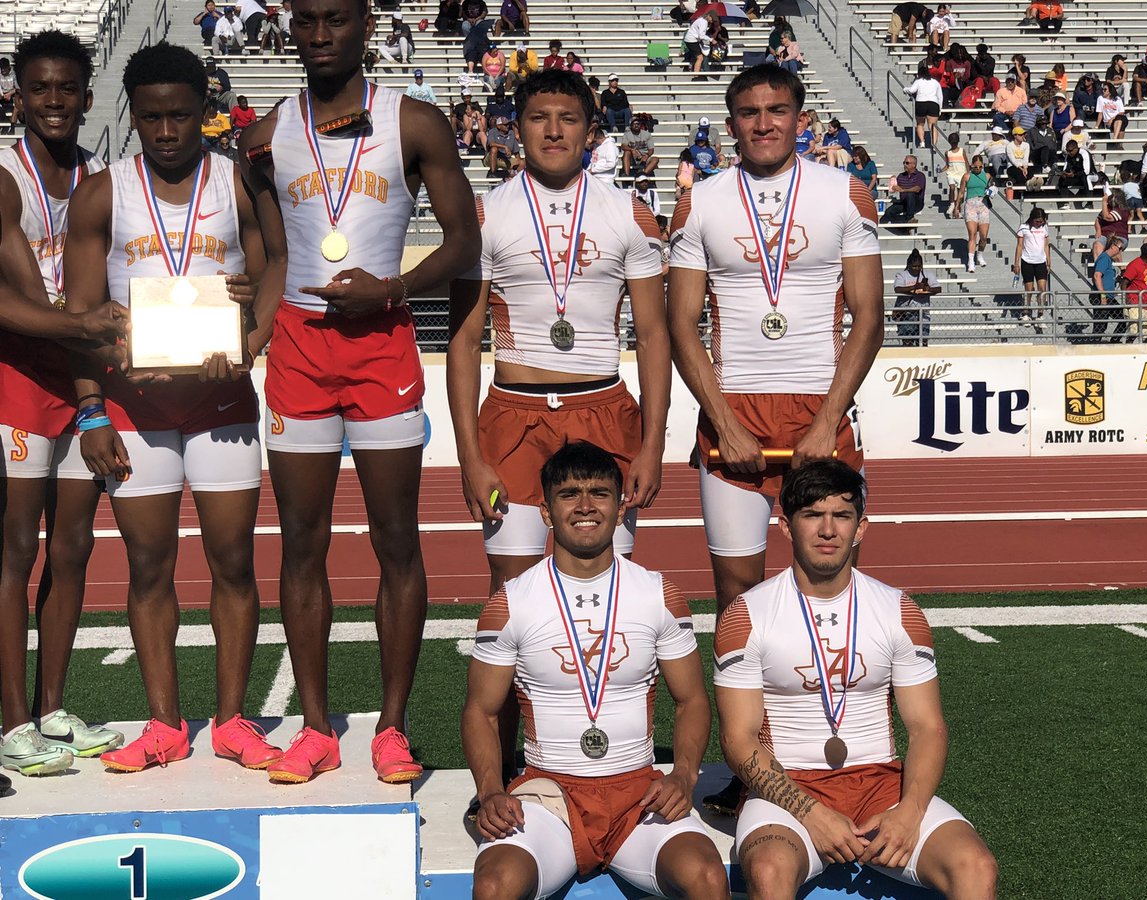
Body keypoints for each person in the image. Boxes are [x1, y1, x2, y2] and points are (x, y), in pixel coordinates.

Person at [240, 0, 480, 784]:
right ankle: (314, 728)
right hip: (301, 348)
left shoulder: (413, 122)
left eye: (335, 19)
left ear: (365, 25)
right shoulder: (265, 136)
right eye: (304, 20)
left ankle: (392, 727)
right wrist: (248, 323)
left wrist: (394, 290)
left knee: (394, 539)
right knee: (301, 542)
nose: (318, 34)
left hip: (383, 343)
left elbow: (463, 239)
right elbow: (273, 254)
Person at [667, 65, 883, 812]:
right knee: (737, 598)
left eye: (778, 110)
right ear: (731, 123)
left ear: (800, 117)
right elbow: (681, 322)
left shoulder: (842, 191)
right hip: (733, 422)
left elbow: (868, 316)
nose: (764, 122)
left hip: (820, 417)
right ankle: (750, 768)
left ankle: (835, 760)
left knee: (828, 590)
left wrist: (829, 417)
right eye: (750, 112)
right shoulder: (701, 200)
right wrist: (723, 418)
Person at [448, 70, 669, 797]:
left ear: (590, 130)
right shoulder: (485, 214)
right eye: (537, 117)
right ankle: (510, 773)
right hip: (511, 416)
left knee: (609, 593)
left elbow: (656, 334)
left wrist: (654, 441)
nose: (552, 130)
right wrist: (469, 452)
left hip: (604, 412)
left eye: (567, 118)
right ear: (514, 127)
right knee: (512, 598)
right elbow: (464, 338)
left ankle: (611, 766)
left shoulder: (629, 213)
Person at [62, 41, 278, 774]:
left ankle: (232, 720)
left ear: (205, 114)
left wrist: (249, 339)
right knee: (149, 565)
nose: (164, 131)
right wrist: (90, 410)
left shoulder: (237, 181)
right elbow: (81, 308)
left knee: (232, 563)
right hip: (133, 408)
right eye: (150, 116)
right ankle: (163, 724)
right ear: (133, 115)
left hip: (221, 400)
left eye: (180, 116)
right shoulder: (103, 192)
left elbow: (271, 265)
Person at [714, 460, 998, 900]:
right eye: (812, 515)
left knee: (975, 866)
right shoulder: (746, 616)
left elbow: (927, 727)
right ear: (786, 527)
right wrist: (810, 813)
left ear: (860, 527)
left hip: (880, 783)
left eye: (841, 516)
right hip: (789, 788)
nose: (828, 530)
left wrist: (910, 812)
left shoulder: (898, 610)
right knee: (770, 870)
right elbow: (737, 738)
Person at [464, 442, 729, 900]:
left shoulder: (658, 594)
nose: (585, 506)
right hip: (549, 794)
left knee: (705, 876)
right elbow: (481, 712)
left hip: (638, 794)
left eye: (599, 493)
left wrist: (683, 776)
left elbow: (692, 700)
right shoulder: (510, 602)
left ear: (620, 504)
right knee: (494, 884)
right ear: (546, 512)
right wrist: (490, 791)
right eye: (569, 494)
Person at [0, 30, 129, 778]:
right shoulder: (5, 177)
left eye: (66, 89)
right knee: (15, 549)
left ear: (87, 97)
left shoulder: (99, 180)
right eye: (39, 88)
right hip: (18, 377)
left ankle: (52, 707)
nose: (53, 101)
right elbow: (12, 303)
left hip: (81, 379)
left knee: (73, 548)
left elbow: (113, 290)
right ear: (20, 95)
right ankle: (13, 720)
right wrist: (81, 329)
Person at [891, 250, 941, 346]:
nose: (916, 269)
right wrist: (914, 287)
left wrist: (928, 289)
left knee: (923, 342)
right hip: (907, 312)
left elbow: (938, 288)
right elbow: (898, 289)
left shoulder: (928, 275)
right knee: (908, 342)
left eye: (919, 266)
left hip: (923, 313)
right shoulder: (902, 275)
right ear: (909, 265)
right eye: (914, 266)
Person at [955, 155, 991, 273]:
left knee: (984, 236)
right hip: (971, 204)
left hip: (983, 204)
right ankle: (970, 261)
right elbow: (961, 192)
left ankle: (979, 254)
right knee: (972, 234)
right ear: (972, 166)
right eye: (976, 167)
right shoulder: (967, 176)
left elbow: (991, 189)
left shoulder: (986, 176)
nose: (978, 169)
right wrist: (957, 207)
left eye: (980, 166)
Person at [1013, 207, 1051, 321]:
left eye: (1041, 221)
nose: (1039, 223)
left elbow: (1046, 245)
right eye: (1037, 221)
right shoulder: (1023, 227)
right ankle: (1026, 312)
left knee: (1042, 288)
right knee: (1029, 288)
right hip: (1027, 261)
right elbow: (1019, 246)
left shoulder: (1044, 227)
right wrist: (1016, 263)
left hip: (1041, 261)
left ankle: (1040, 313)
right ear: (1032, 219)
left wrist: (1048, 260)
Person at [1090, 235, 1126, 343]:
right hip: (1102, 296)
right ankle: (1096, 345)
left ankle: (1113, 341)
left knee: (1120, 320)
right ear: (1113, 246)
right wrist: (1103, 295)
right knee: (1100, 325)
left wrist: (1117, 280)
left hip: (1107, 296)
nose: (1121, 251)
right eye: (1120, 248)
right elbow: (1097, 276)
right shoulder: (1104, 258)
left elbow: (1105, 278)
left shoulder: (1108, 260)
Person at [1122, 243, 1147, 340]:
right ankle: (1130, 351)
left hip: (1146, 304)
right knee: (1134, 331)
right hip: (1135, 303)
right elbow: (1124, 282)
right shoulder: (1135, 264)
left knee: (1146, 333)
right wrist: (1126, 298)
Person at [905, 64, 942, 148]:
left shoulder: (918, 81)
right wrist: (940, 108)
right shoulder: (935, 82)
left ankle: (922, 142)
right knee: (933, 126)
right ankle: (934, 144)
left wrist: (905, 89)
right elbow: (940, 96)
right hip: (933, 103)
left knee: (920, 124)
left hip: (921, 103)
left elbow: (912, 90)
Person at [881, 154, 925, 224]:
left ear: (914, 165)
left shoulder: (920, 175)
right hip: (904, 202)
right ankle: (905, 221)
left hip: (916, 203)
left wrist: (903, 190)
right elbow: (894, 189)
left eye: (907, 163)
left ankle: (909, 218)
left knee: (910, 194)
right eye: (904, 163)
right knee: (889, 212)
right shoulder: (901, 176)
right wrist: (893, 183)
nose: (905, 165)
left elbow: (917, 189)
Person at [942, 132, 967, 213]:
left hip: (961, 174)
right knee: (952, 187)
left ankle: (959, 208)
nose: (954, 144)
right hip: (951, 173)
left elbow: (966, 162)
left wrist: (968, 173)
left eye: (955, 143)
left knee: (960, 191)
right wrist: (941, 170)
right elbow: (947, 165)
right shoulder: (947, 153)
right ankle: (952, 204)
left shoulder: (962, 151)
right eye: (952, 143)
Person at [1095, 81, 1127, 146]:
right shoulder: (1100, 99)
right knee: (1120, 122)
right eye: (1102, 89)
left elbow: (1122, 112)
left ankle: (1115, 139)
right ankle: (1119, 145)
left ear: (1110, 91)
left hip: (1117, 118)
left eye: (1105, 89)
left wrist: (1112, 118)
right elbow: (1100, 113)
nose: (1103, 91)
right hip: (1109, 122)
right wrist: (1096, 126)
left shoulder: (1117, 99)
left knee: (1120, 118)